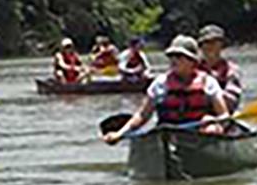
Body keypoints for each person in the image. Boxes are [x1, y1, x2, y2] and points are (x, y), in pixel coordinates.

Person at [100, 36, 233, 145]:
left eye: (179, 56)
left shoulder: (208, 83)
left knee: (211, 130)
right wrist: (120, 133)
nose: (174, 60)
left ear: (193, 61)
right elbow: (142, 116)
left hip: (197, 132)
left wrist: (215, 122)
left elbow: (223, 115)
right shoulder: (160, 83)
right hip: (168, 133)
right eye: (171, 56)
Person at [198, 24, 245, 112]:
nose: (210, 46)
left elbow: (231, 101)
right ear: (201, 46)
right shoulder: (191, 68)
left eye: (214, 42)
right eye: (207, 42)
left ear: (221, 45)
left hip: (221, 115)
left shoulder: (231, 71)